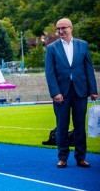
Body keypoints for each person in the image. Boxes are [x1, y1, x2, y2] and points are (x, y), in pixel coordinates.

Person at [45, 18, 98, 168]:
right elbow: (50, 73)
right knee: (62, 126)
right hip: (61, 94)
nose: (61, 31)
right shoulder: (52, 48)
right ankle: (63, 158)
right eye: (58, 29)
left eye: (63, 28)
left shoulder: (83, 45)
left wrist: (93, 90)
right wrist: (55, 92)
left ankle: (81, 157)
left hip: (80, 92)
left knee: (80, 126)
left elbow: (88, 68)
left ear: (71, 28)